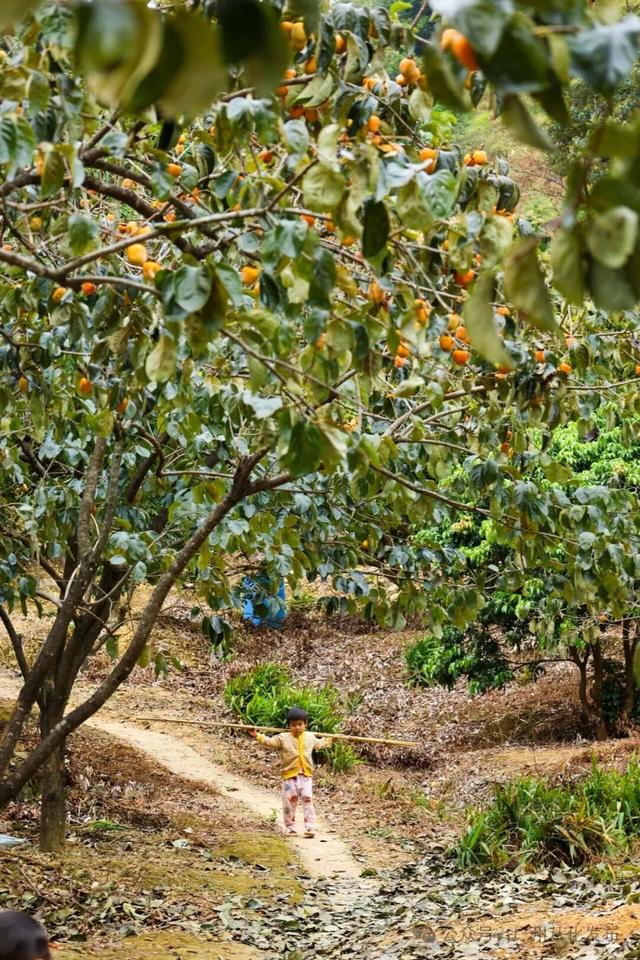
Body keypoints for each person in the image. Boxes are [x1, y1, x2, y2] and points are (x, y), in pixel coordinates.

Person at [248, 706, 332, 838]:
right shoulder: (283, 737)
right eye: (293, 725)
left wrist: (332, 739)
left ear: (305, 724)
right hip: (289, 777)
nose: (297, 727)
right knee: (289, 802)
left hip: (306, 776)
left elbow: (320, 744)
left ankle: (310, 827)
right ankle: (290, 828)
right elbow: (269, 742)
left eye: (300, 724)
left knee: (307, 798)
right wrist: (257, 735)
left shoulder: (310, 737)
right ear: (289, 725)